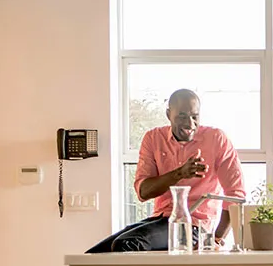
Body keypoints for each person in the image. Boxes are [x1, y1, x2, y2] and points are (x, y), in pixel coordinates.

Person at [86, 89, 245, 253]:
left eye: (194, 117)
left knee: (126, 243)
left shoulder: (216, 139)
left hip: (195, 225)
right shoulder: (153, 138)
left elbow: (235, 194)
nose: (190, 124)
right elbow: (143, 191)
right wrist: (179, 173)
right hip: (160, 220)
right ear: (169, 114)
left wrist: (217, 238)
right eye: (182, 116)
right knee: (92, 257)